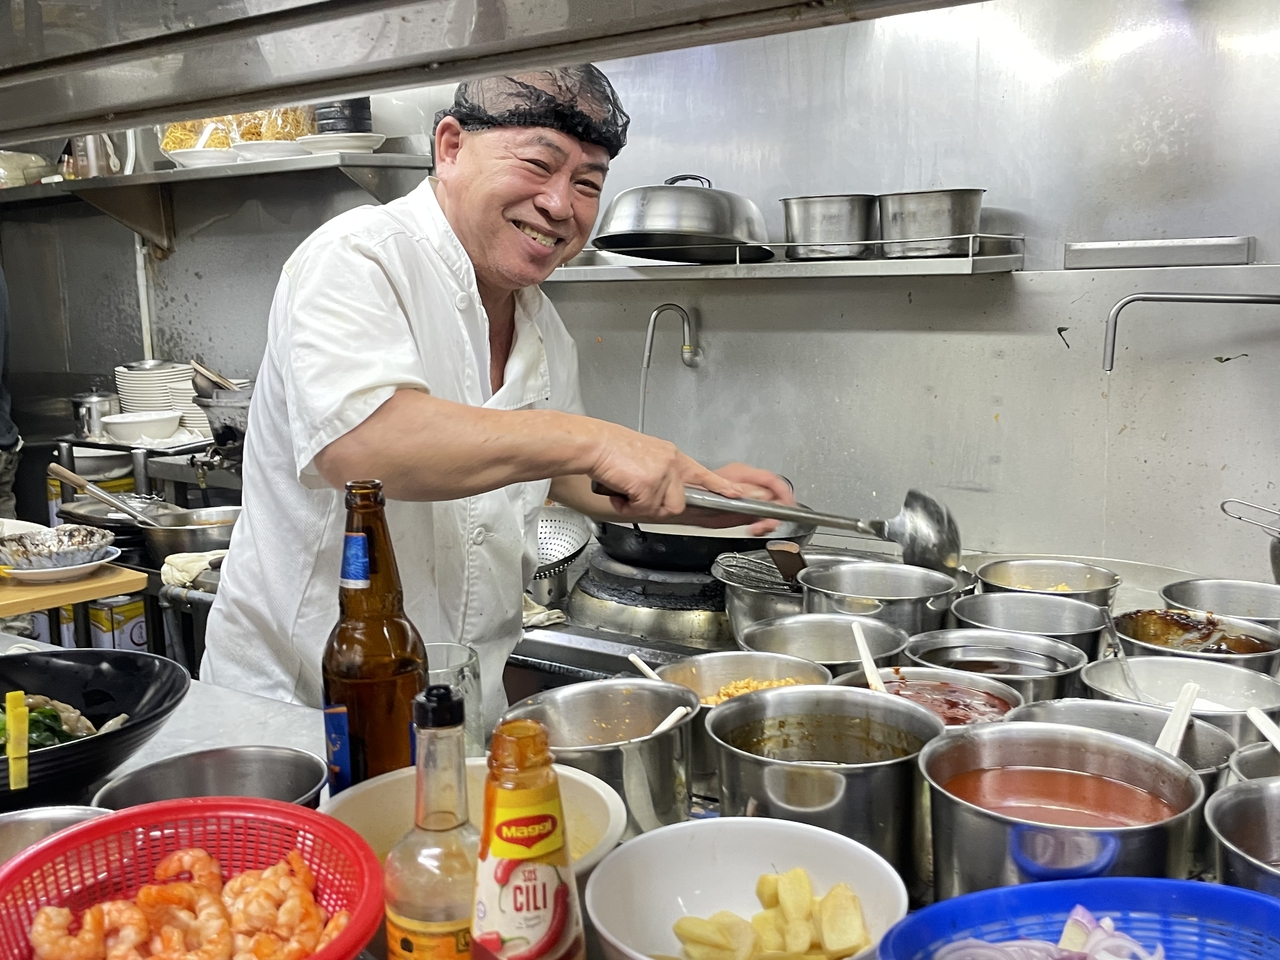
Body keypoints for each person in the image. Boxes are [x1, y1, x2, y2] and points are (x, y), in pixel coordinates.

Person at [203, 66, 794, 730]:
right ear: (450, 146)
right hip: (300, 712)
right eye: (539, 165)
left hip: (458, 711)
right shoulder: (358, 258)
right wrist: (600, 439)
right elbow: (366, 447)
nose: (559, 205)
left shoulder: (543, 329)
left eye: (587, 184)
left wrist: (698, 498)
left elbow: (554, 474)